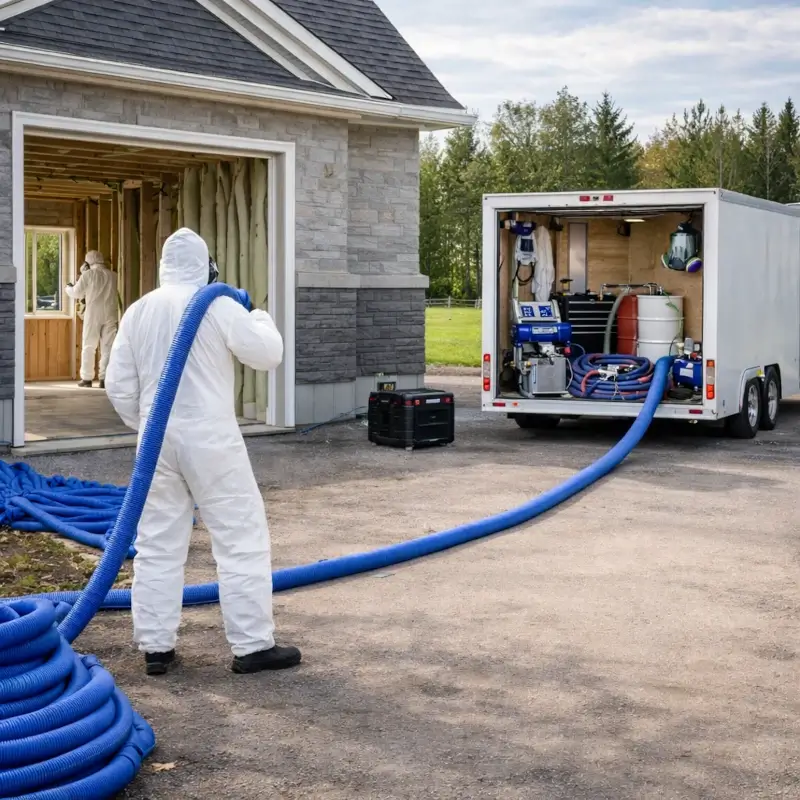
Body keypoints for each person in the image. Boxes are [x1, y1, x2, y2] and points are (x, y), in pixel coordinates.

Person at [105, 228, 301, 676]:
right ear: (207, 266)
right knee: (239, 536)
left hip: (155, 443)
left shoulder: (138, 311)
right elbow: (268, 354)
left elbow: (118, 387)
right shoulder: (219, 304)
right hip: (211, 439)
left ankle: (156, 648)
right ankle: (251, 646)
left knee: (156, 542)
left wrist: (151, 427)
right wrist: (259, 314)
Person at [65, 251, 118, 389]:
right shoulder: (113, 276)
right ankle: (104, 379)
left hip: (93, 314)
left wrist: (68, 287)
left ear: (87, 262)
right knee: (108, 347)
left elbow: (76, 293)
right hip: (111, 314)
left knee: (89, 346)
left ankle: (87, 379)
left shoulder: (88, 275)